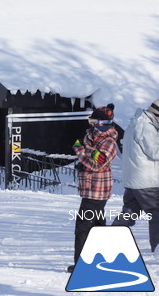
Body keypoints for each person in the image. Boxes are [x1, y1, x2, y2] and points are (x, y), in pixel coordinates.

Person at [69, 104, 120, 273]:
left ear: (102, 123)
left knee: (82, 227)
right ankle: (100, 261)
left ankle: (81, 266)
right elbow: (92, 157)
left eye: (93, 121)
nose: (90, 124)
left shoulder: (109, 142)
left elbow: (97, 164)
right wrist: (89, 151)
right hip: (90, 188)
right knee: (97, 225)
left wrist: (81, 151)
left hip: (97, 190)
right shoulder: (92, 136)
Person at [111, 99, 159, 254]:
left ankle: (108, 243)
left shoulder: (136, 123)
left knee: (129, 213)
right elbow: (155, 152)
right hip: (146, 182)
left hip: (134, 179)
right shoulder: (146, 127)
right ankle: (158, 250)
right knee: (157, 213)